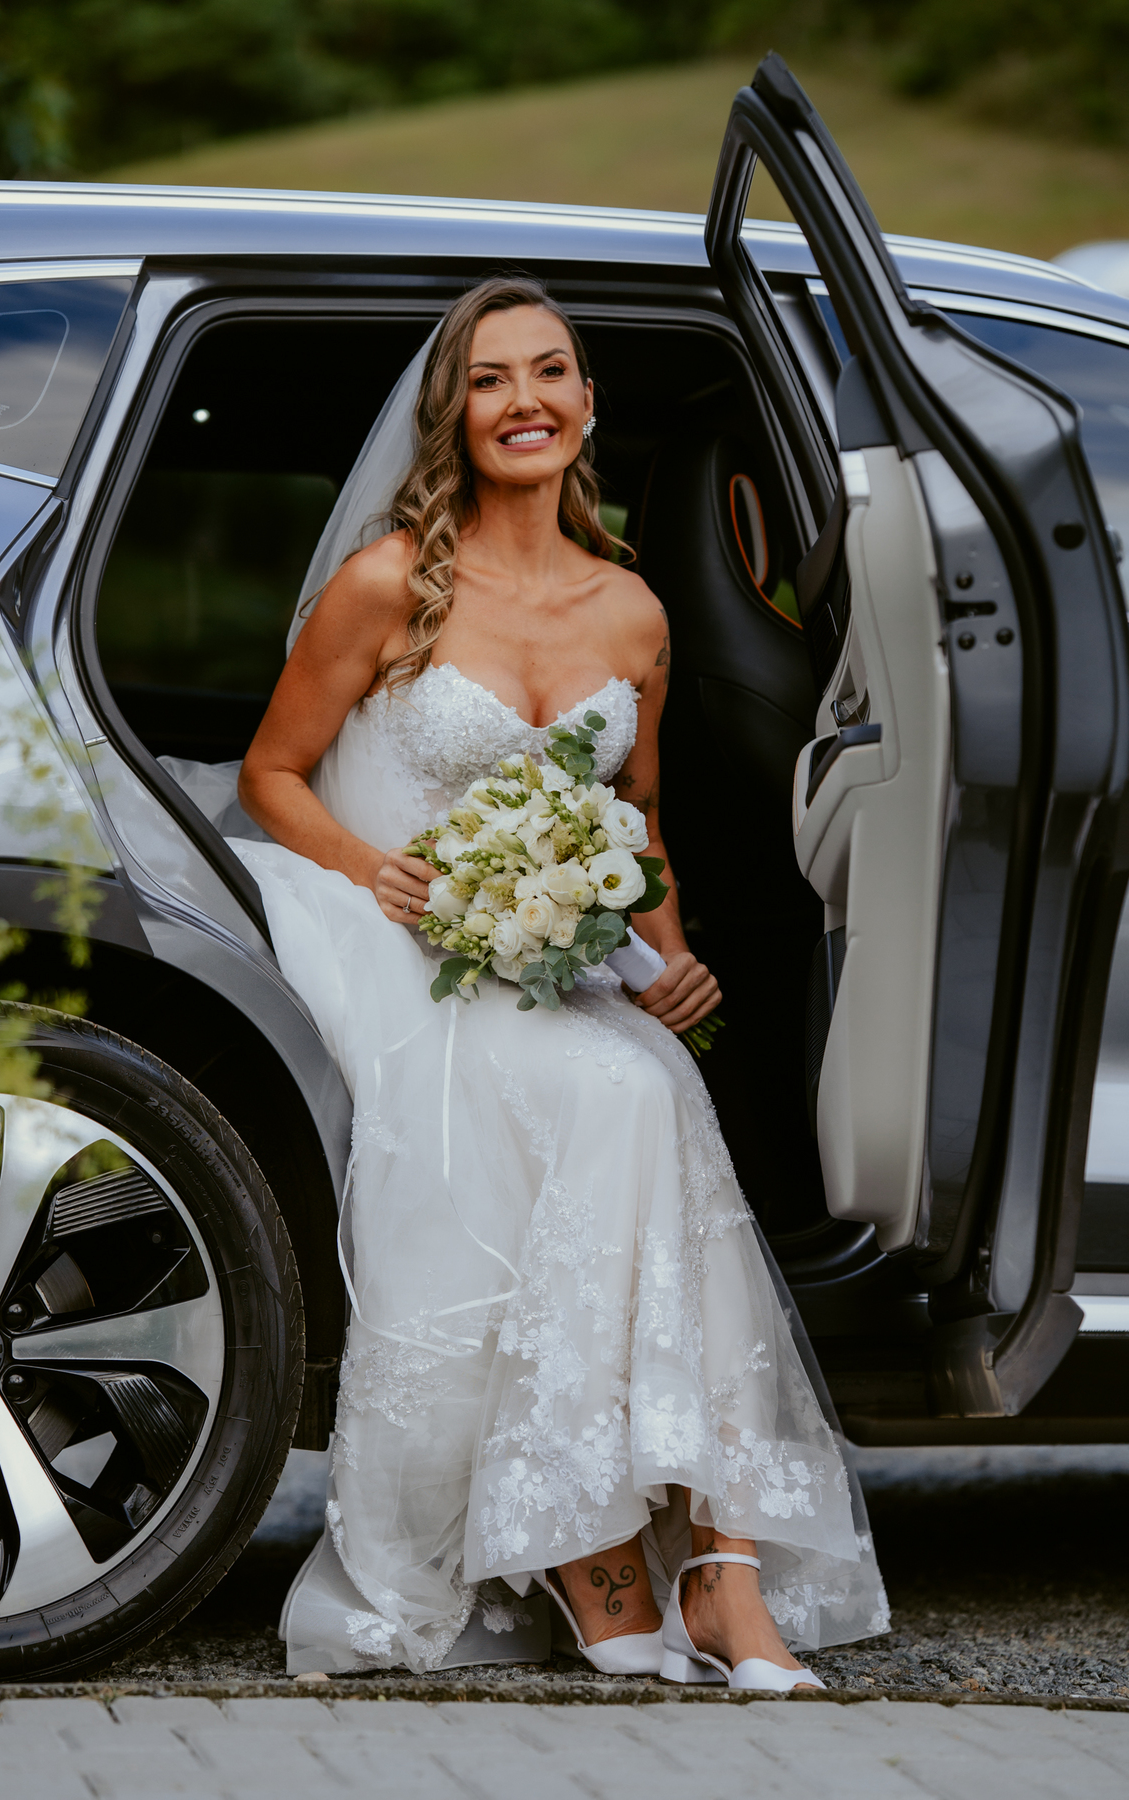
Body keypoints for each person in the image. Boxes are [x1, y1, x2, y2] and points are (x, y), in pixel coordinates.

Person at [231, 276, 888, 1685]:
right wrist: (377, 873)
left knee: (649, 1084)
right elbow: (269, 778)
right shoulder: (389, 582)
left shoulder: (634, 611)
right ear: (455, 415)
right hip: (395, 935)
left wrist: (673, 952)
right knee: (623, 1102)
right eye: (490, 379)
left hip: (550, 962)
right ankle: (610, 1563)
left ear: (589, 403)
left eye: (552, 371)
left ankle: (712, 1565)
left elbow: (633, 822)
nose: (524, 399)